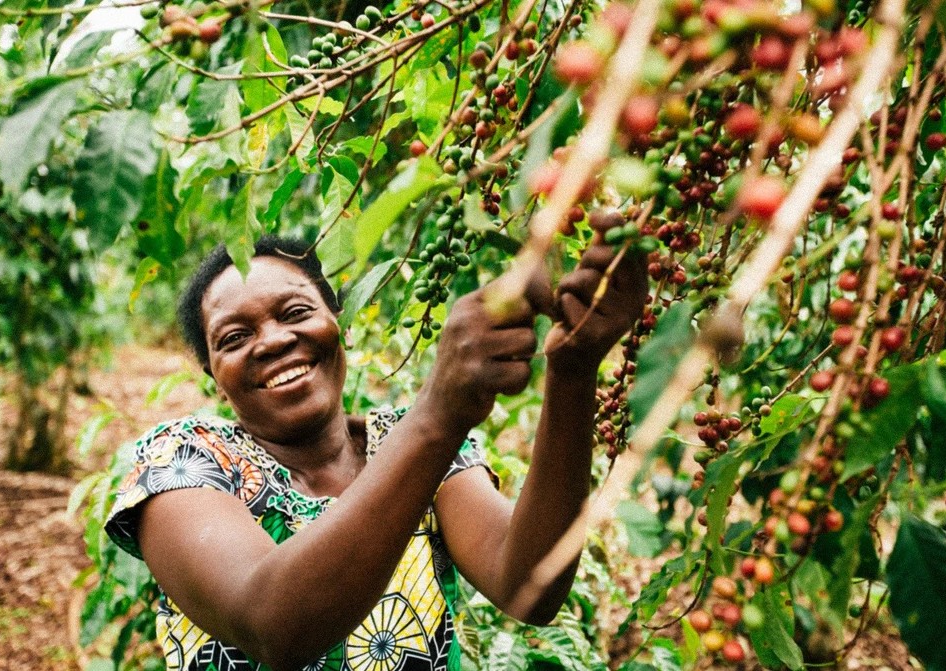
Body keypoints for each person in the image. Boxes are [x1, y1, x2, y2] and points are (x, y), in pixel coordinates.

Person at [104, 229, 647, 671]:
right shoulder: (184, 463)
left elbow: (530, 587)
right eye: (234, 337)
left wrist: (573, 369)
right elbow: (275, 629)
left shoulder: (411, 445)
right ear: (215, 379)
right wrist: (438, 415)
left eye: (294, 313)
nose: (270, 341)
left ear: (337, 323)